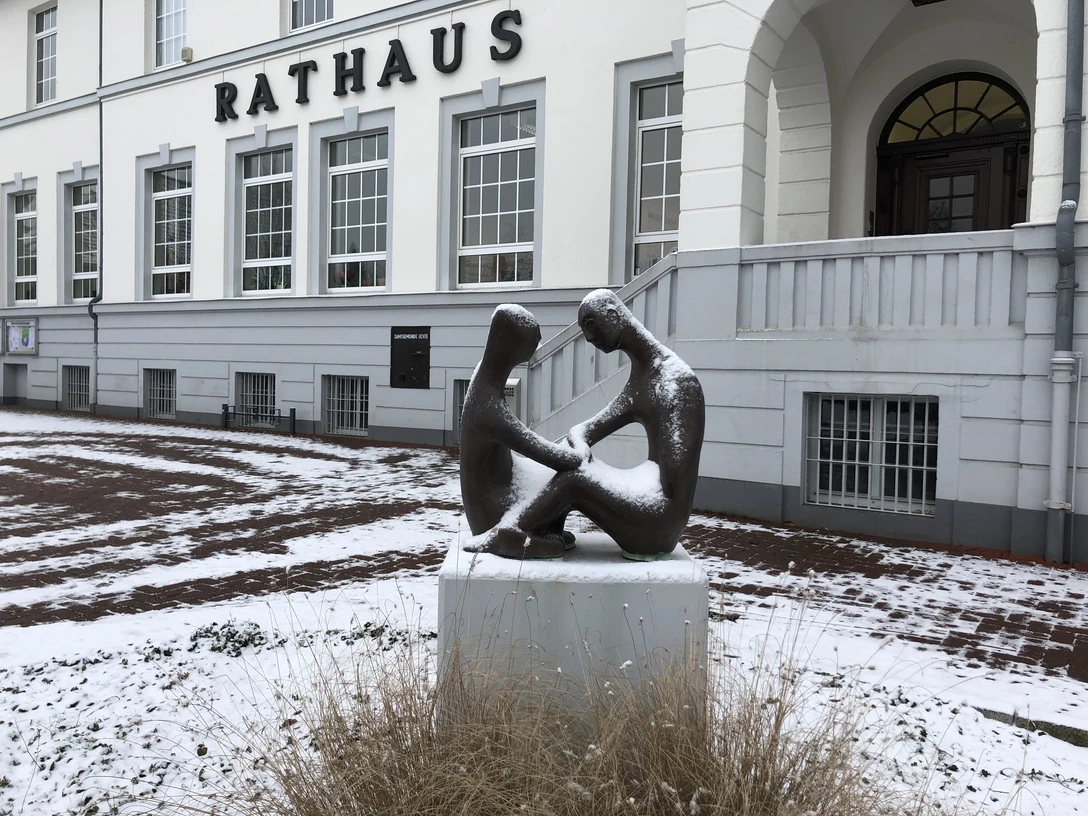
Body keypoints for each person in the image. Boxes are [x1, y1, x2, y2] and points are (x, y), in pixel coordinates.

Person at [487, 289, 705, 559]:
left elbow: (673, 489)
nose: (589, 338)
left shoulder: (676, 383)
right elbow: (584, 430)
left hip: (659, 524)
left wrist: (589, 470)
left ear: (613, 316)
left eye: (591, 325)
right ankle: (526, 526)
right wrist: (577, 449)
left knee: (575, 481)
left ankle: (511, 534)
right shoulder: (644, 376)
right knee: (571, 466)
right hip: (646, 499)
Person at [459, 304, 585, 558]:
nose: (536, 348)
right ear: (510, 345)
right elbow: (542, 451)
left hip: (505, 492)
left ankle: (544, 528)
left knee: (561, 481)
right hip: (492, 516)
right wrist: (577, 453)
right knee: (573, 481)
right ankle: (507, 537)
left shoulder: (485, 382)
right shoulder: (487, 405)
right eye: (531, 343)